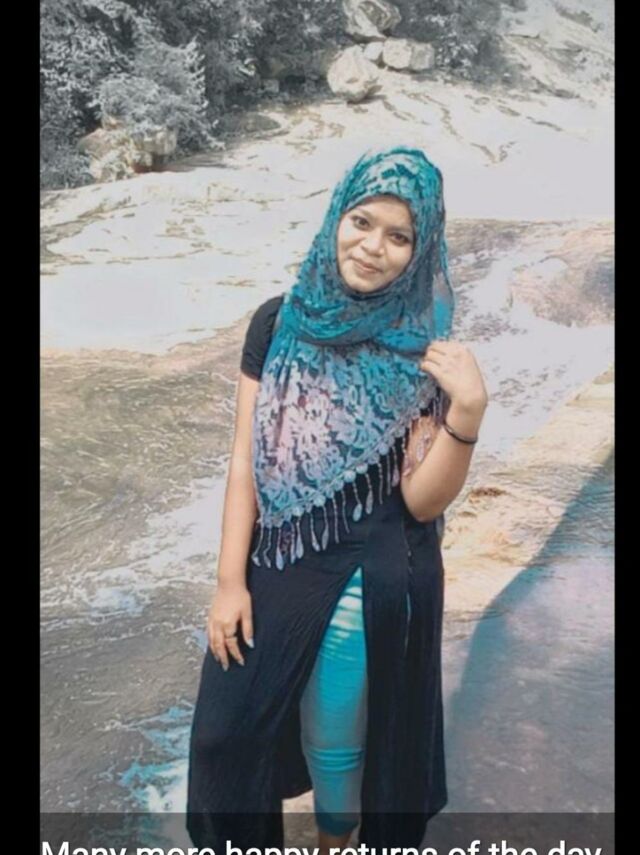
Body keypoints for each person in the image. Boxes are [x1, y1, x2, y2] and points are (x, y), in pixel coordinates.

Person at [186, 146, 488, 852]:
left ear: (420, 250)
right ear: (336, 217)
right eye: (362, 222)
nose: (373, 246)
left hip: (368, 569)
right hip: (279, 556)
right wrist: (229, 582)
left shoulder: (425, 350)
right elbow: (245, 461)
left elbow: (420, 502)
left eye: (399, 236)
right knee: (221, 741)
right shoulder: (276, 323)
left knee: (337, 752)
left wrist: (467, 413)